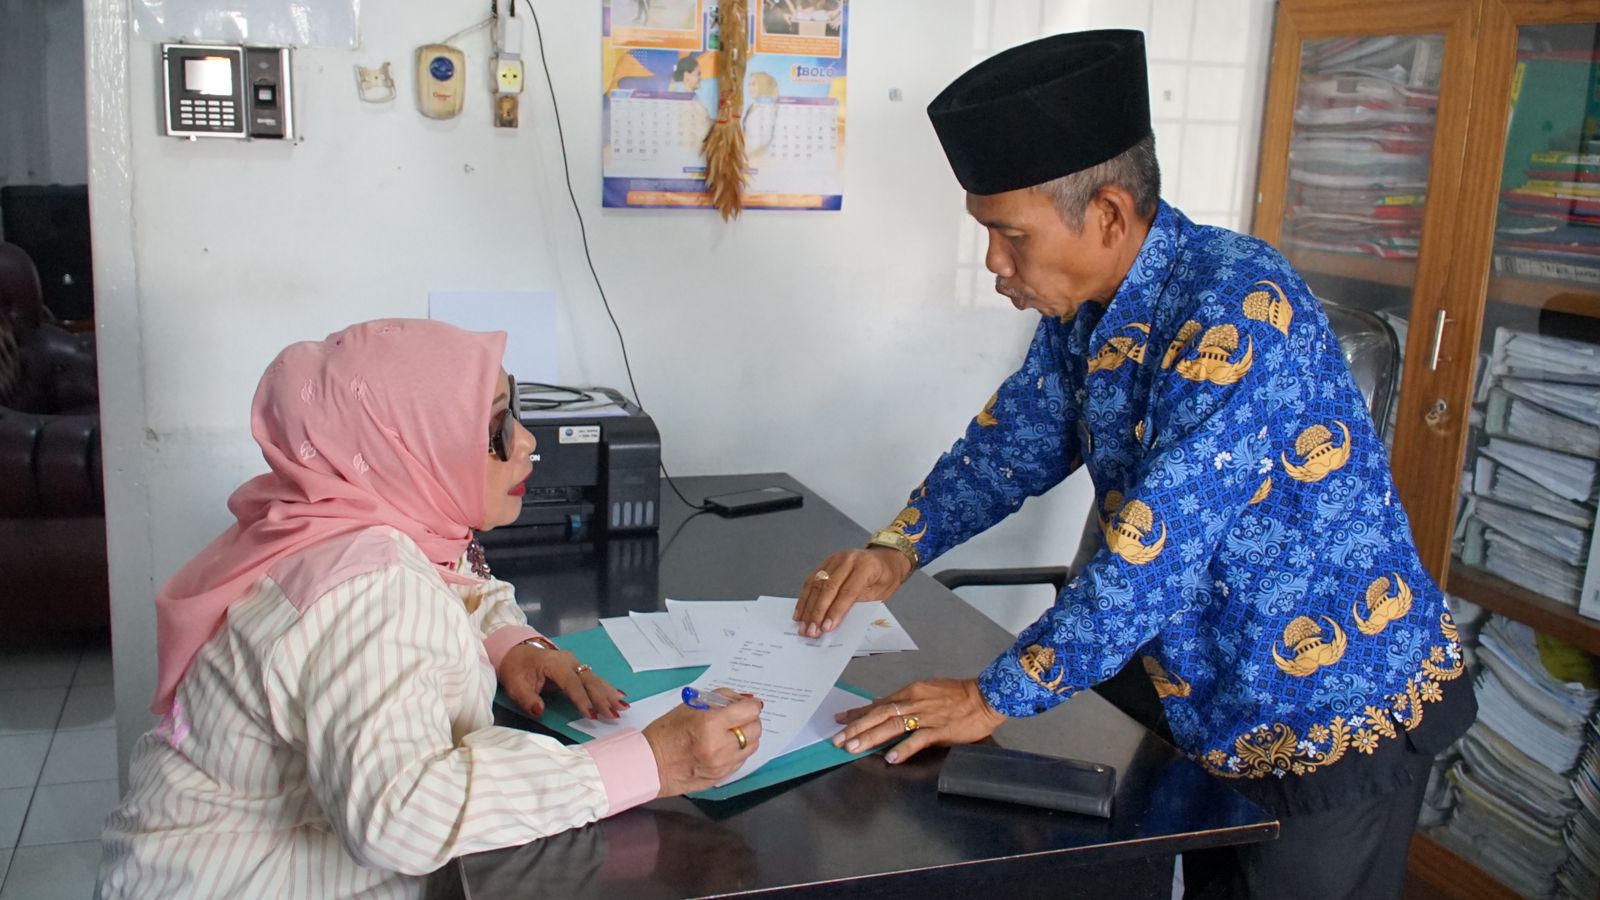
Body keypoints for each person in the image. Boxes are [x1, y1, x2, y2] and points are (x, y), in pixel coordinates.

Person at [793, 31, 1474, 900]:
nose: (996, 264)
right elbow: (1015, 442)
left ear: (1108, 216)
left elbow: (1153, 556)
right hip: (1198, 695)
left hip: (1328, 708)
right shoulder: (1086, 308)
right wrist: (899, 546)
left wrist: (991, 696)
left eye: (1009, 236)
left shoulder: (1236, 311)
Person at [100, 319, 763, 899]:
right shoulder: (375, 593)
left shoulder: (330, 514)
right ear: (409, 448)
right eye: (495, 427)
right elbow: (402, 816)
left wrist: (515, 643)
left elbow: (450, 578)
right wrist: (652, 762)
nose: (527, 442)